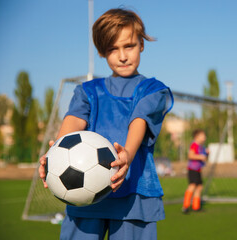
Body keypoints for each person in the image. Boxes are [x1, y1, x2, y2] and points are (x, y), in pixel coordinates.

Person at [38, 8, 173, 240]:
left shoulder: (154, 90)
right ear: (102, 52)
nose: (122, 56)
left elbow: (138, 120)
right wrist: (54, 155)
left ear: (141, 44)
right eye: (113, 49)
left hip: (135, 198)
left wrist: (127, 155)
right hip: (83, 198)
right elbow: (73, 120)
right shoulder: (88, 91)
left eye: (129, 46)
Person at [182, 129, 208, 213]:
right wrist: (201, 157)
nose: (205, 137)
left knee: (199, 187)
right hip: (192, 169)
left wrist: (207, 153)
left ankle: (196, 206)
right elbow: (190, 155)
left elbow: (204, 157)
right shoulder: (194, 145)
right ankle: (185, 206)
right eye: (203, 136)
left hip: (198, 169)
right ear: (197, 137)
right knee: (192, 185)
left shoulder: (201, 147)